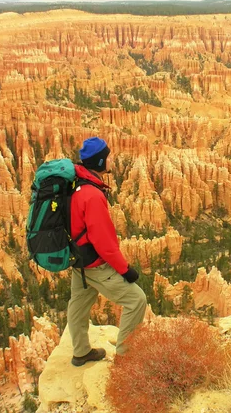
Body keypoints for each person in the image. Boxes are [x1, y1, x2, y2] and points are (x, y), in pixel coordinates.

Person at [67, 137, 147, 366]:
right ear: (100, 160)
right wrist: (125, 270)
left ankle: (81, 352)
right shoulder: (91, 195)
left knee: (79, 304)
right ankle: (125, 357)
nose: (112, 158)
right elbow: (103, 241)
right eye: (109, 155)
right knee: (137, 300)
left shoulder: (77, 183)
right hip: (95, 264)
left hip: (78, 260)